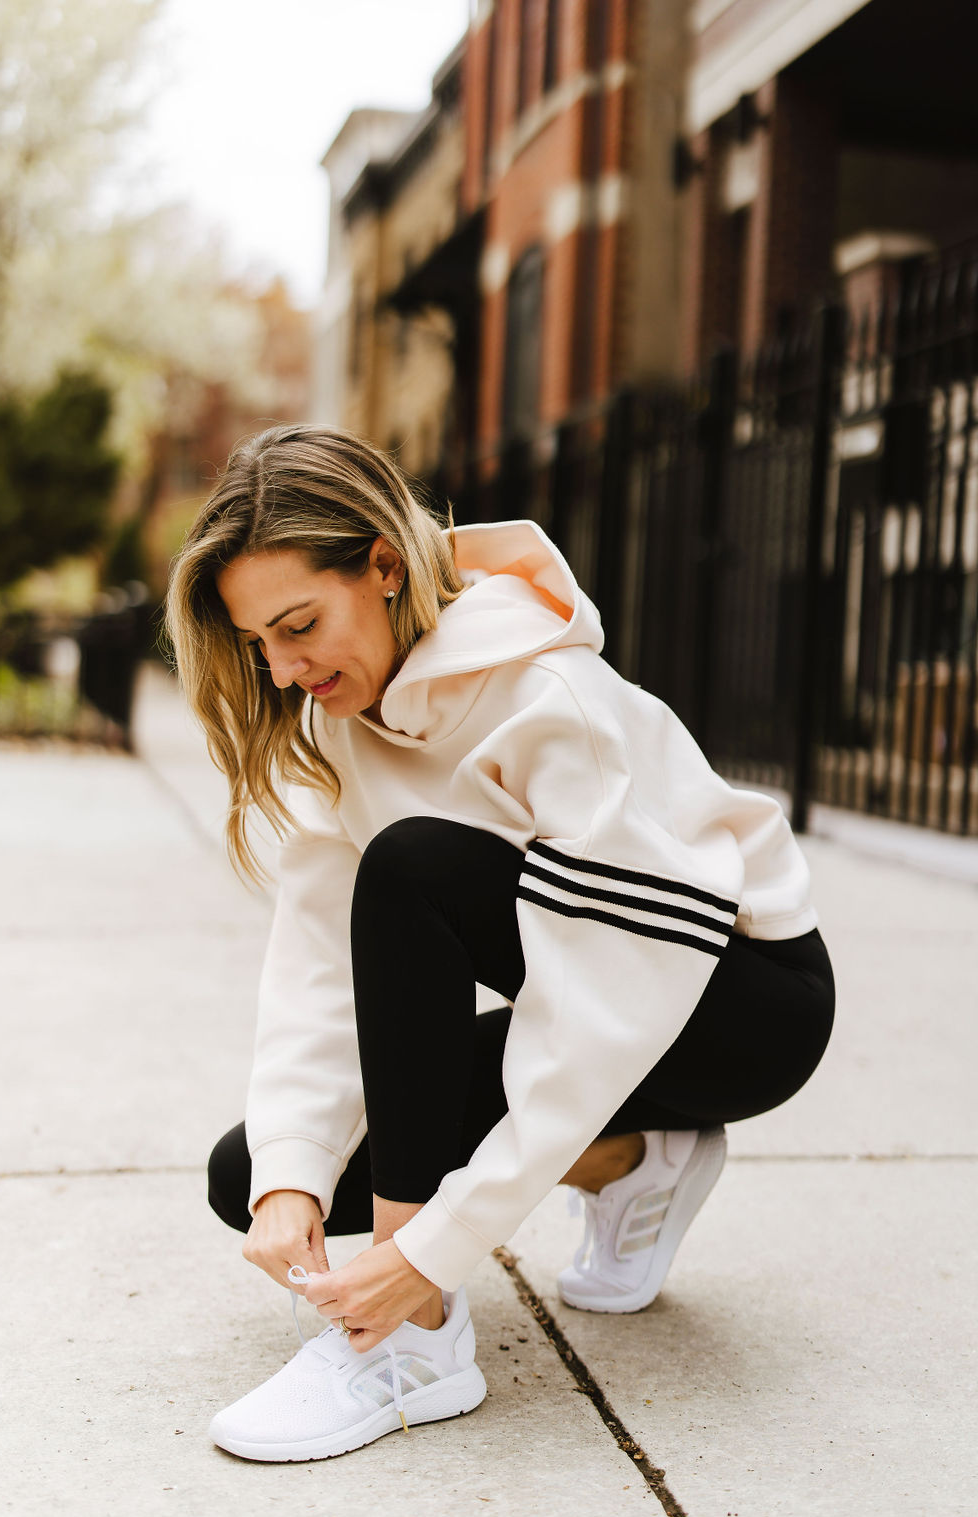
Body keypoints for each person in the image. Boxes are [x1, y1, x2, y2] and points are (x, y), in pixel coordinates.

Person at [165, 423, 835, 1464]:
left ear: (383, 566)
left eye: (298, 623)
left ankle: (417, 1347)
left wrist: (426, 1252)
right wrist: (291, 1176)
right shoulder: (347, 724)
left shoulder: (542, 696)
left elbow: (603, 1008)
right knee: (248, 1169)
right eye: (262, 643)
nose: (286, 667)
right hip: (601, 996)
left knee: (412, 867)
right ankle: (630, 1159)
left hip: (737, 1000)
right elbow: (315, 963)